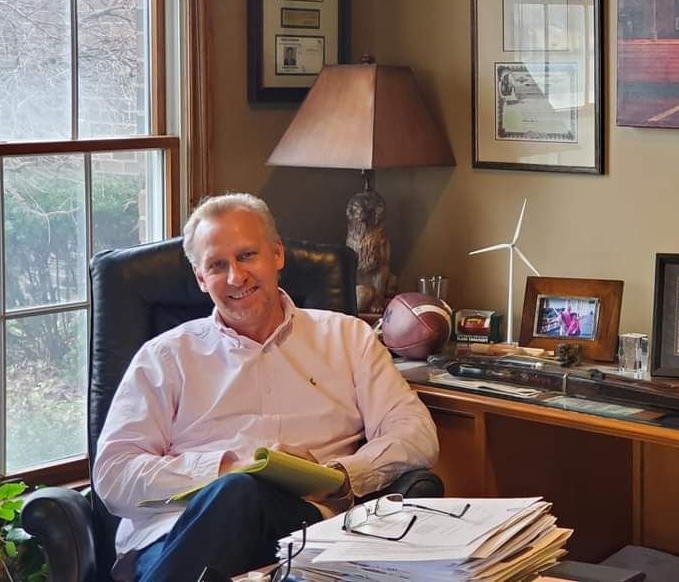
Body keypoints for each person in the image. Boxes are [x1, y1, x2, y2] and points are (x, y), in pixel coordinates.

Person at [94, 193, 438, 581]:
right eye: (217, 265)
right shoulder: (165, 357)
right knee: (238, 491)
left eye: (246, 256)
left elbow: (416, 432)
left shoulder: (347, 338)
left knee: (244, 495)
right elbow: (114, 474)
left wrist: (340, 475)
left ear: (277, 255)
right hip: (175, 536)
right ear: (200, 278)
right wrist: (225, 469)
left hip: (305, 531)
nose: (235, 277)